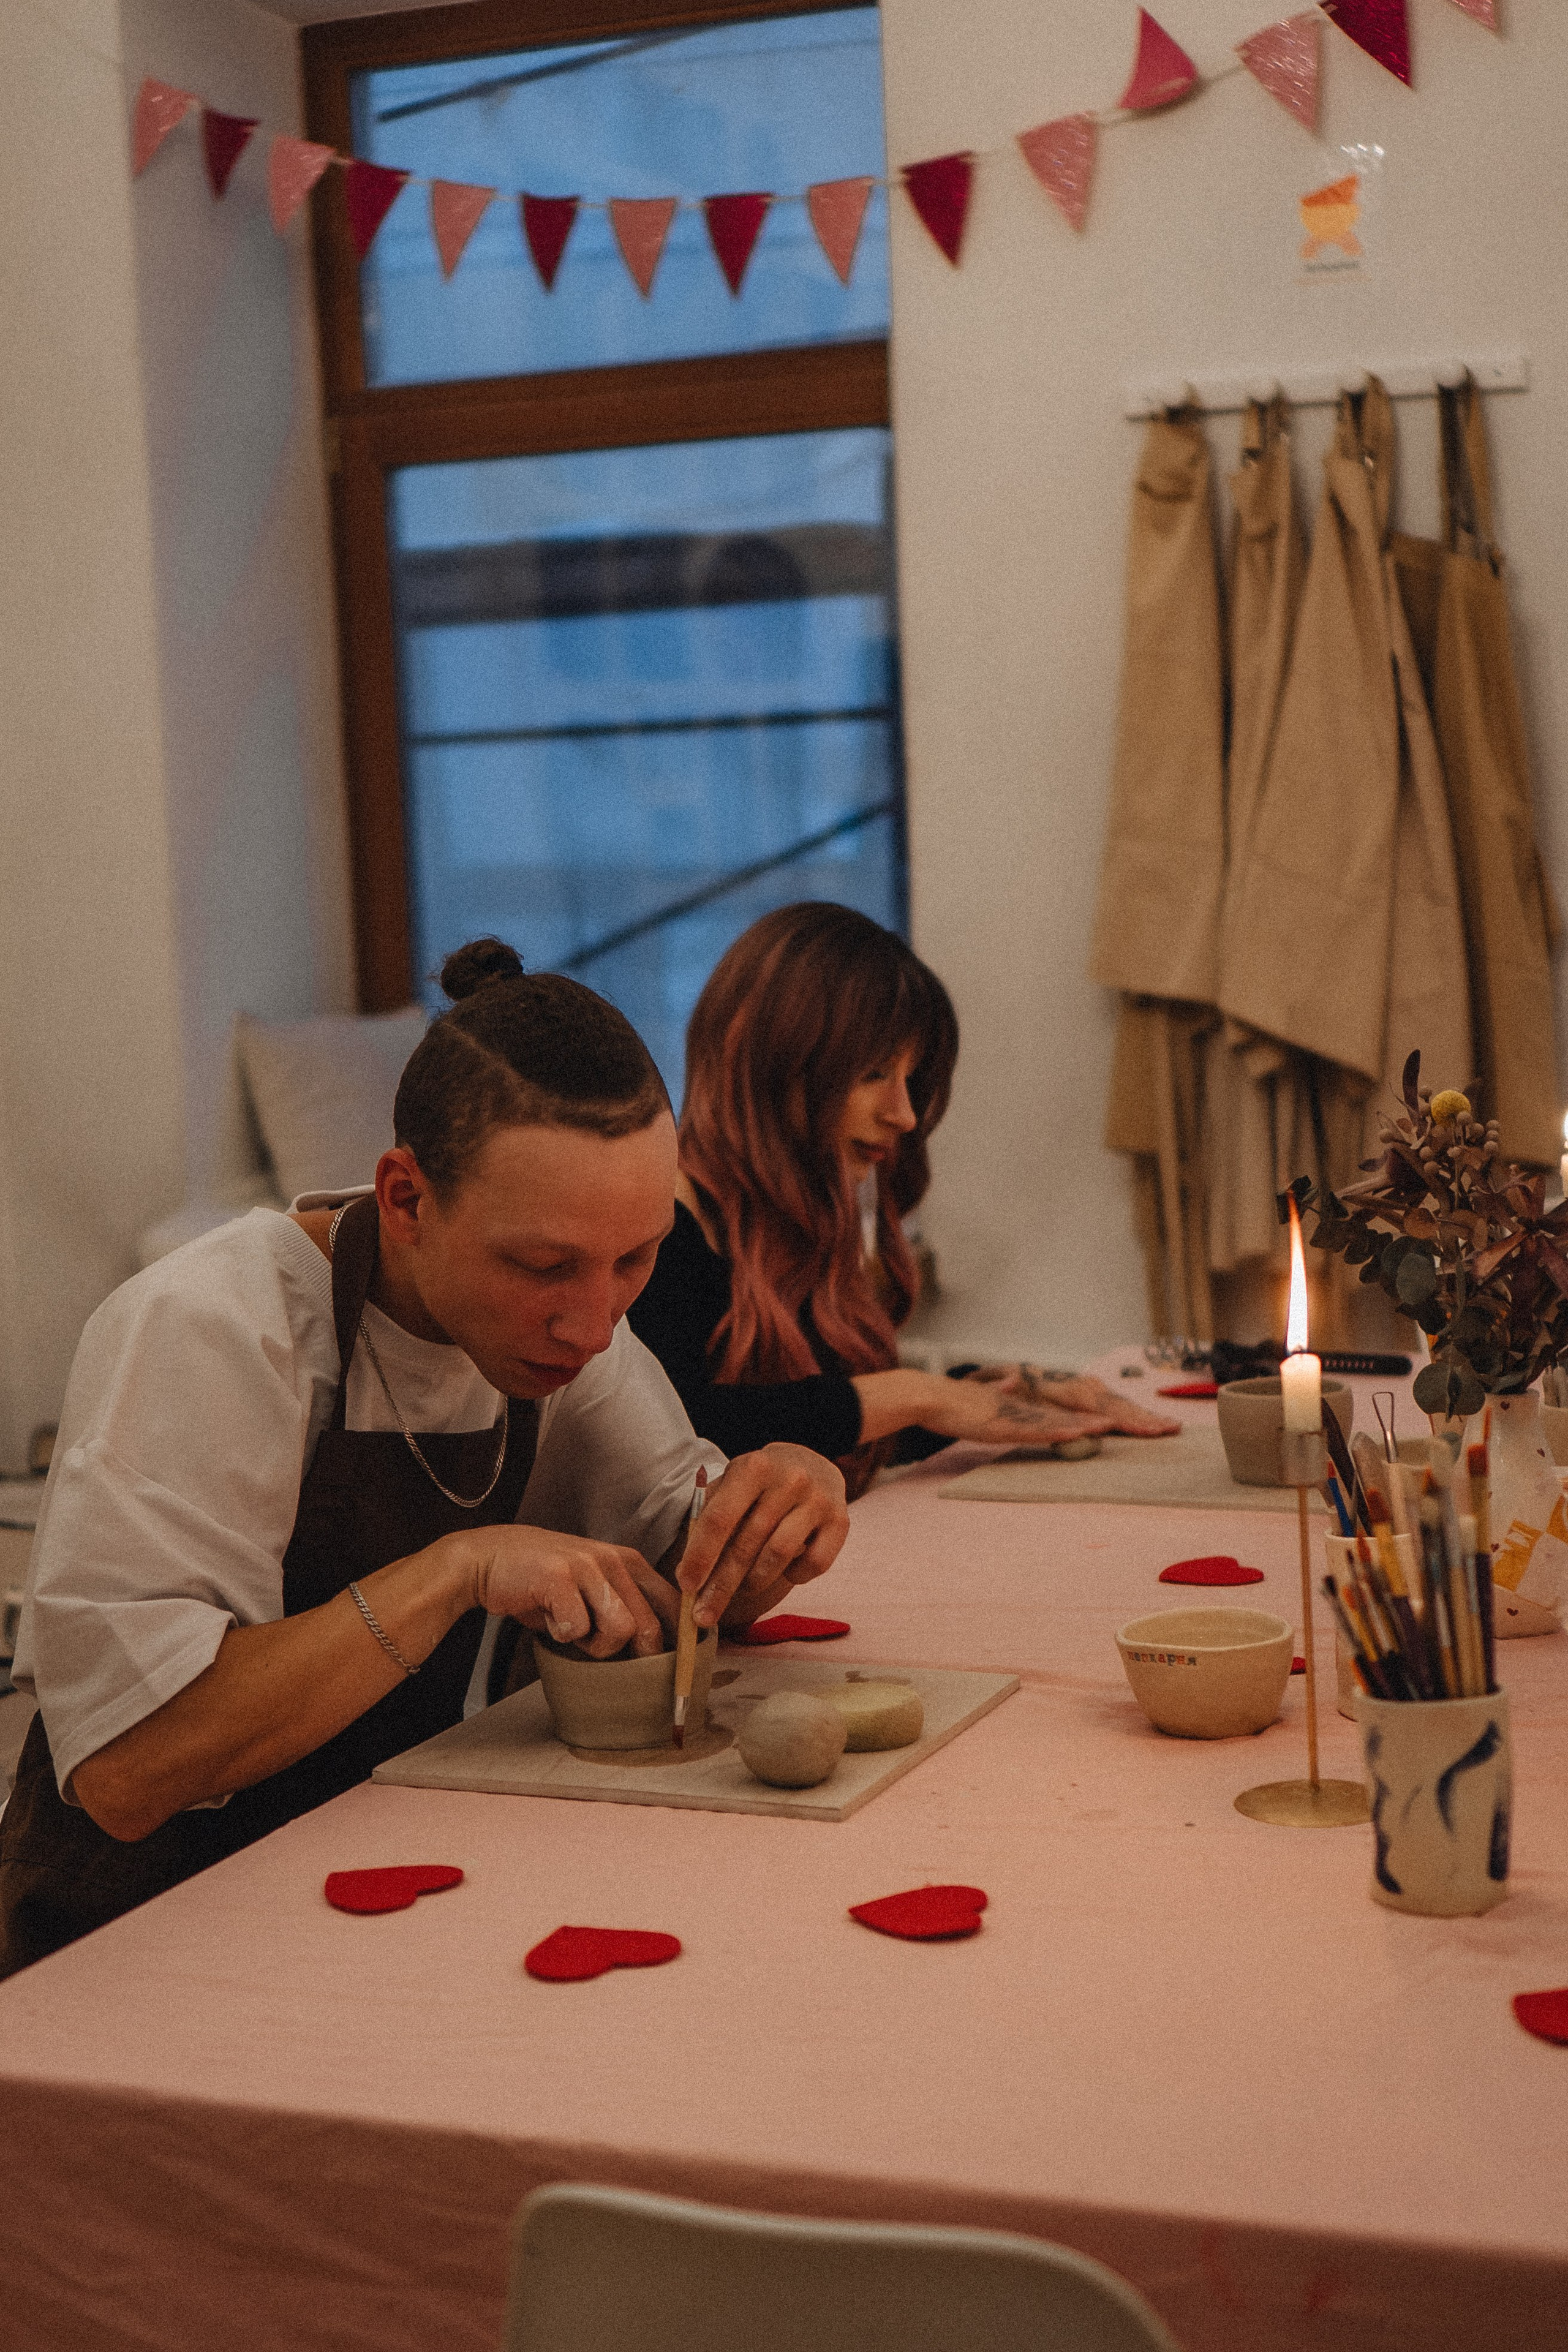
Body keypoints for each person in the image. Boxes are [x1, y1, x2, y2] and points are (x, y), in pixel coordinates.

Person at [0, 941, 847, 1975]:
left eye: (637, 1257)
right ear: (404, 1199)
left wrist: (779, 1505)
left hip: (351, 1891)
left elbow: (687, 1568)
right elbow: (129, 1768)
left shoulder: (577, 1334)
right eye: (543, 1265)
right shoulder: (213, 1328)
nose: (593, 1325)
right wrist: (458, 1568)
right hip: (129, 1935)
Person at [628, 904, 1178, 1498]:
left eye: (910, 1079)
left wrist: (983, 1392)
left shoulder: (796, 1214)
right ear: (774, 1065)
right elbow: (678, 1434)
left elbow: (812, 1424)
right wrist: (917, 1395)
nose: (905, 1115)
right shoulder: (659, 1221)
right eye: (874, 1073)